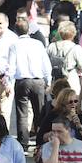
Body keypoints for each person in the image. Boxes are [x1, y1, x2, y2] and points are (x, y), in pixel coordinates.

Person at [13, 15, 53, 147]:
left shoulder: (14, 45)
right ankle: (40, 141)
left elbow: (11, 65)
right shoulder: (38, 44)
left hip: (22, 81)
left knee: (22, 113)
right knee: (40, 113)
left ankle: (23, 142)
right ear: (28, 30)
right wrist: (48, 80)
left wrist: (8, 80)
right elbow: (46, 64)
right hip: (38, 80)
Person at [48, 21, 82, 94]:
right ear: (73, 33)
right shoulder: (76, 48)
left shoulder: (52, 46)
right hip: (70, 79)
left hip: (55, 80)